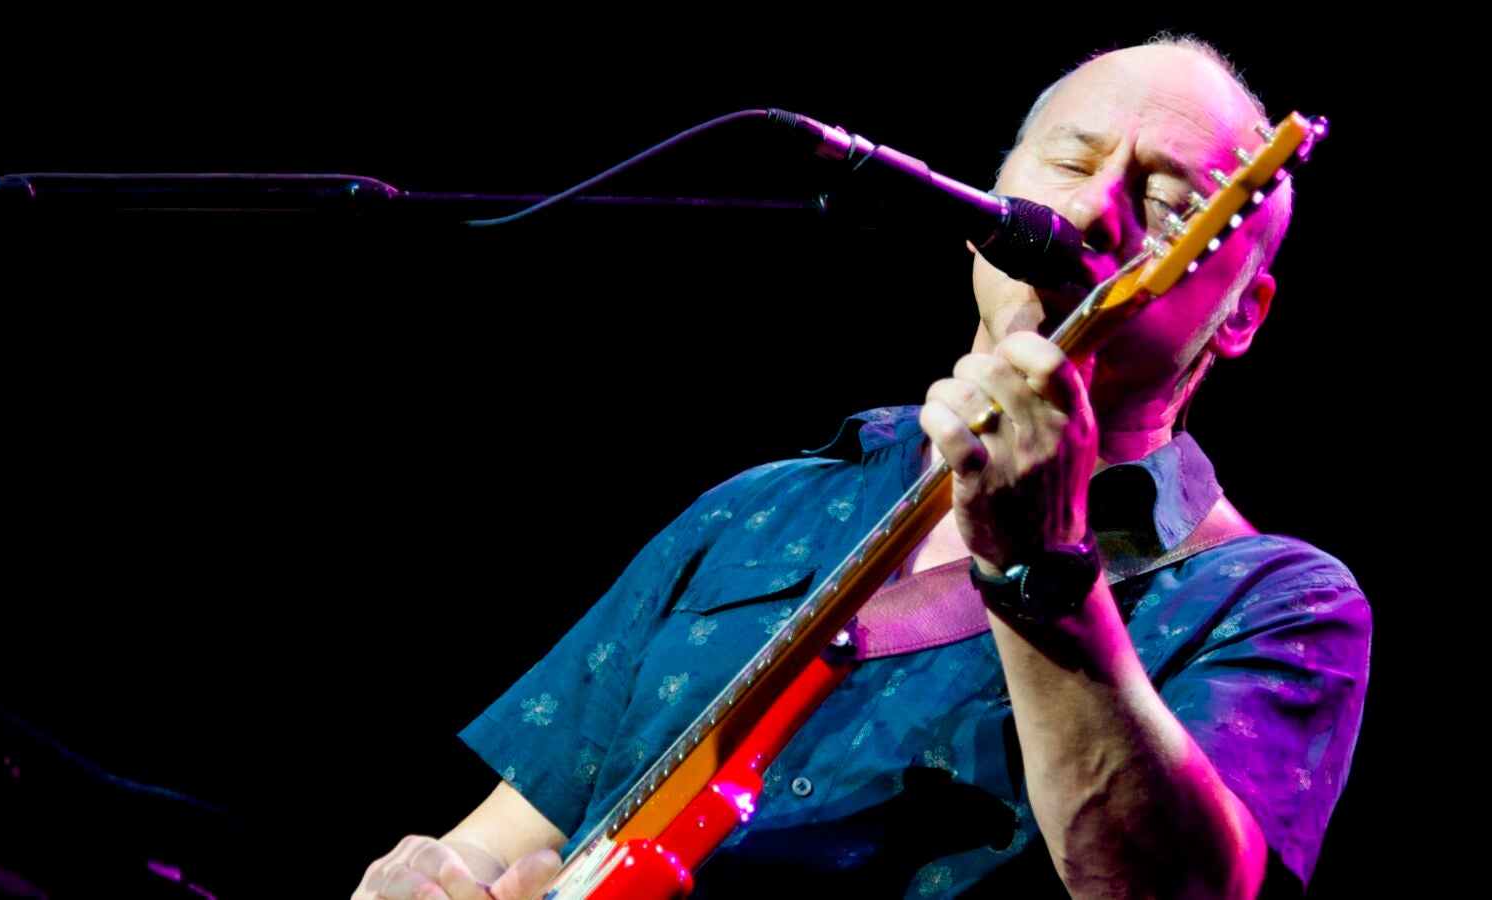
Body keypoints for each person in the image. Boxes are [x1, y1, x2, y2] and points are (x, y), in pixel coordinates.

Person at [355, 36, 1370, 899]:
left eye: (1164, 199)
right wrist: (435, 876)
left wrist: (1041, 572)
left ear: (1240, 314)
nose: (1096, 210)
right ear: (990, 203)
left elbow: (1171, 891)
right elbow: (506, 836)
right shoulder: (755, 510)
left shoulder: (1276, 601)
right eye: (1070, 162)